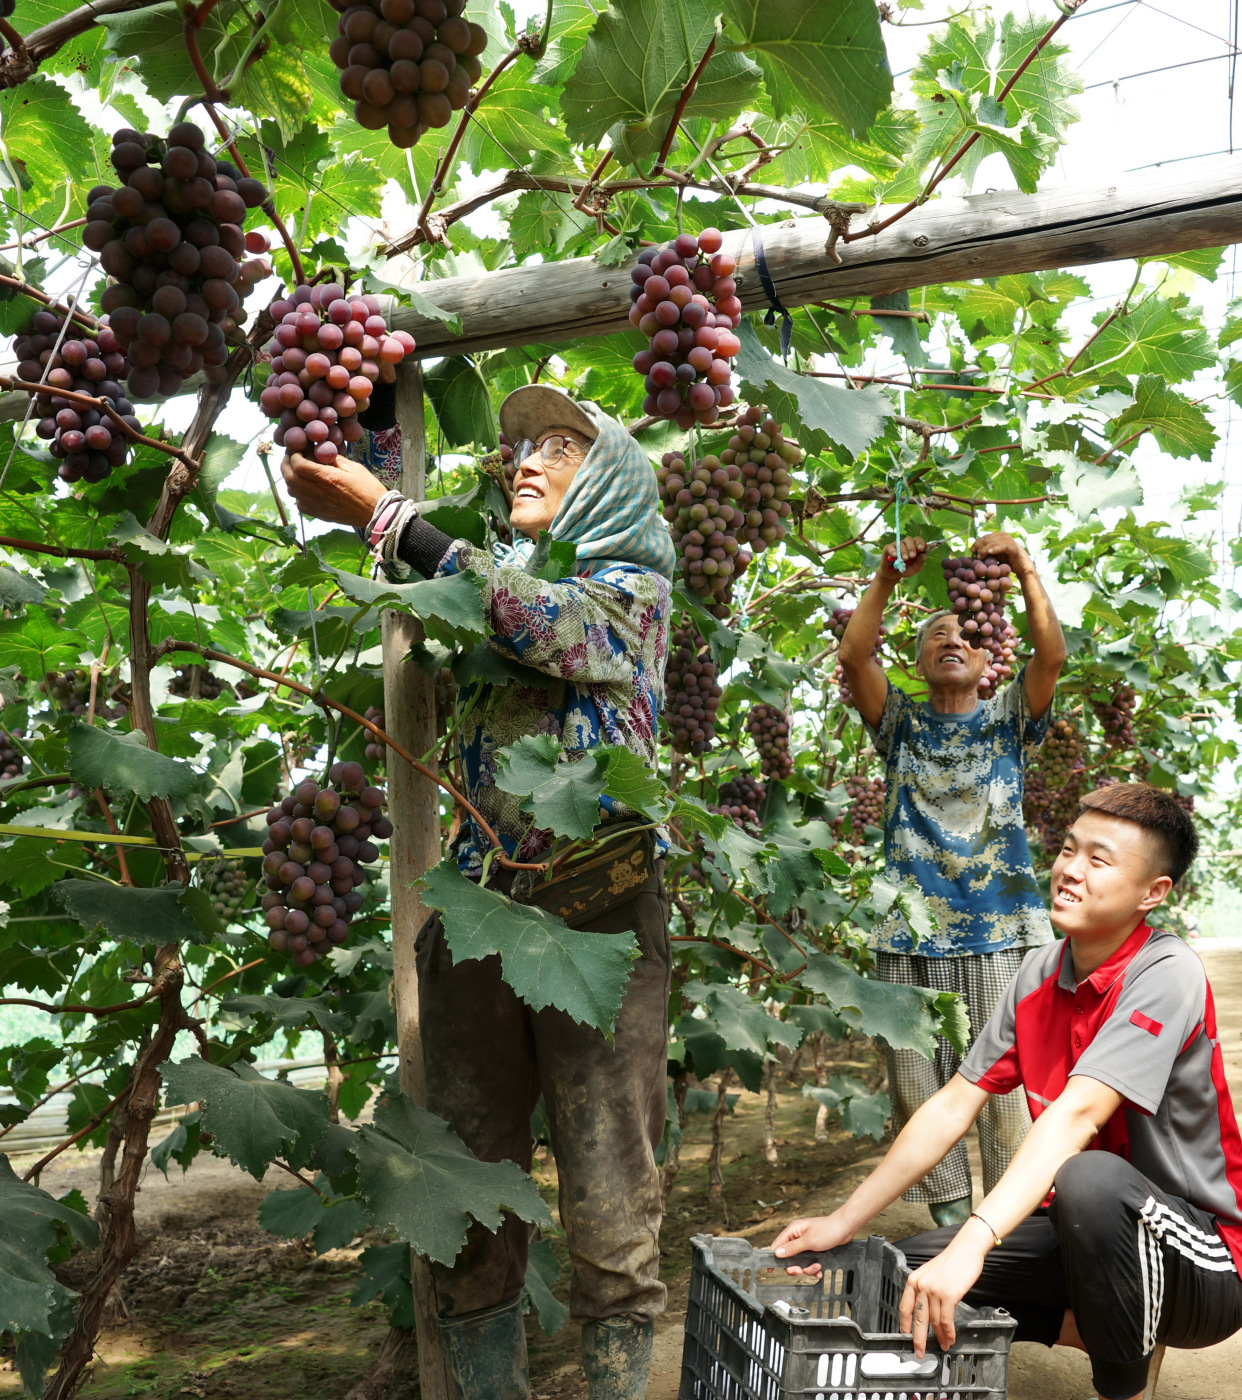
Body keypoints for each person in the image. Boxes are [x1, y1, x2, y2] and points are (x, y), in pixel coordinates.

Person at [282, 383, 676, 1400]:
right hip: (476, 914)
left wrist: (387, 516)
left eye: (562, 446)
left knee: (609, 1190)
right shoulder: (490, 581)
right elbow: (463, 583)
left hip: (597, 914)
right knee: (463, 1188)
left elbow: (541, 621)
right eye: (518, 448)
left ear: (619, 481)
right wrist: (365, 424)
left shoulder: (631, 588)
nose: (527, 461)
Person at [773, 784, 1242, 1400]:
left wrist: (973, 1243)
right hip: (1086, 1232)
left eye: (1099, 860)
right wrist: (842, 1220)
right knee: (902, 1272)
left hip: (1201, 1258)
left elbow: (1076, 1116)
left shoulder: (1166, 971)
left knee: (1089, 1179)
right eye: (1069, 849)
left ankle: (1125, 1382)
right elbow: (952, 1104)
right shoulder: (1038, 970)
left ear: (1152, 893)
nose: (1070, 870)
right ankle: (1096, 1321)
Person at [838, 531, 1066, 1226]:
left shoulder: (1007, 721)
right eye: (937, 633)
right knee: (919, 1093)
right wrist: (883, 578)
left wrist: (1023, 567)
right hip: (908, 937)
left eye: (966, 632)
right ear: (917, 661)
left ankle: (1004, 1241)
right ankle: (948, 1233)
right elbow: (853, 655)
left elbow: (1050, 654)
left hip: (1001, 936)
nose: (952, 640)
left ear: (987, 657)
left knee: (1004, 1101)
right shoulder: (899, 724)